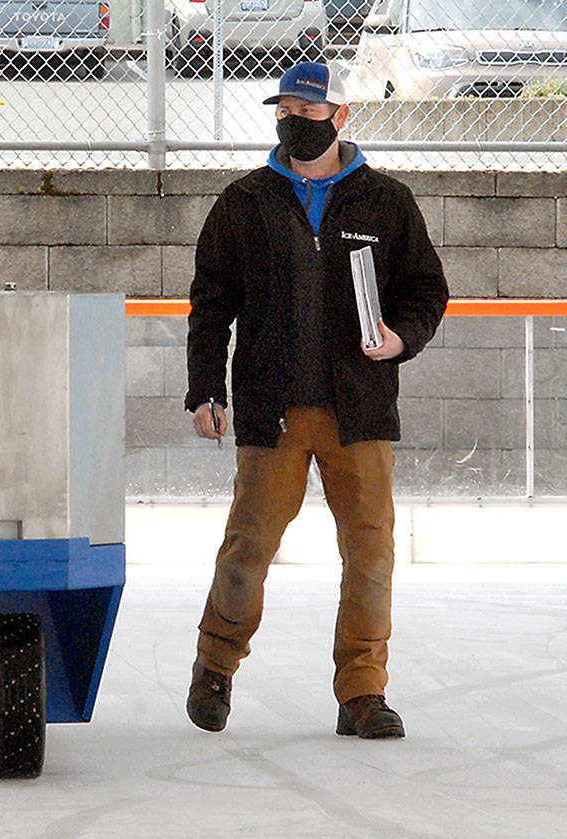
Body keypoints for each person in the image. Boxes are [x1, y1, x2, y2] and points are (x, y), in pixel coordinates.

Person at [183, 61, 448, 739]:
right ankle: (215, 669)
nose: (294, 122)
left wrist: (400, 337)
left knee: (370, 553)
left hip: (358, 413)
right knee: (247, 547)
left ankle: (363, 692)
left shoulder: (387, 201)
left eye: (308, 112)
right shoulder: (245, 201)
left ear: (342, 116)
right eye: (286, 112)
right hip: (273, 412)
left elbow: (426, 290)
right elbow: (211, 305)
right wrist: (206, 389)